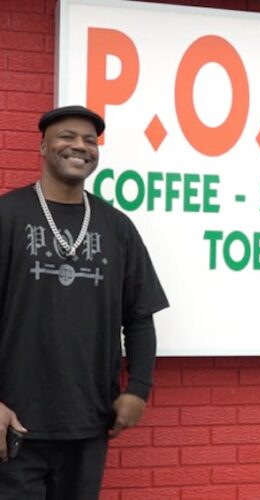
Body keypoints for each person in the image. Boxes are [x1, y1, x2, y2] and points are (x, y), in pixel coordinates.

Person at [0, 105, 169, 499]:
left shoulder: (117, 227)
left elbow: (140, 318)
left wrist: (138, 389)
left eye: (90, 141)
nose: (80, 146)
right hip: (13, 424)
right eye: (67, 137)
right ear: (43, 147)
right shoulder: (7, 215)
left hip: (89, 424)